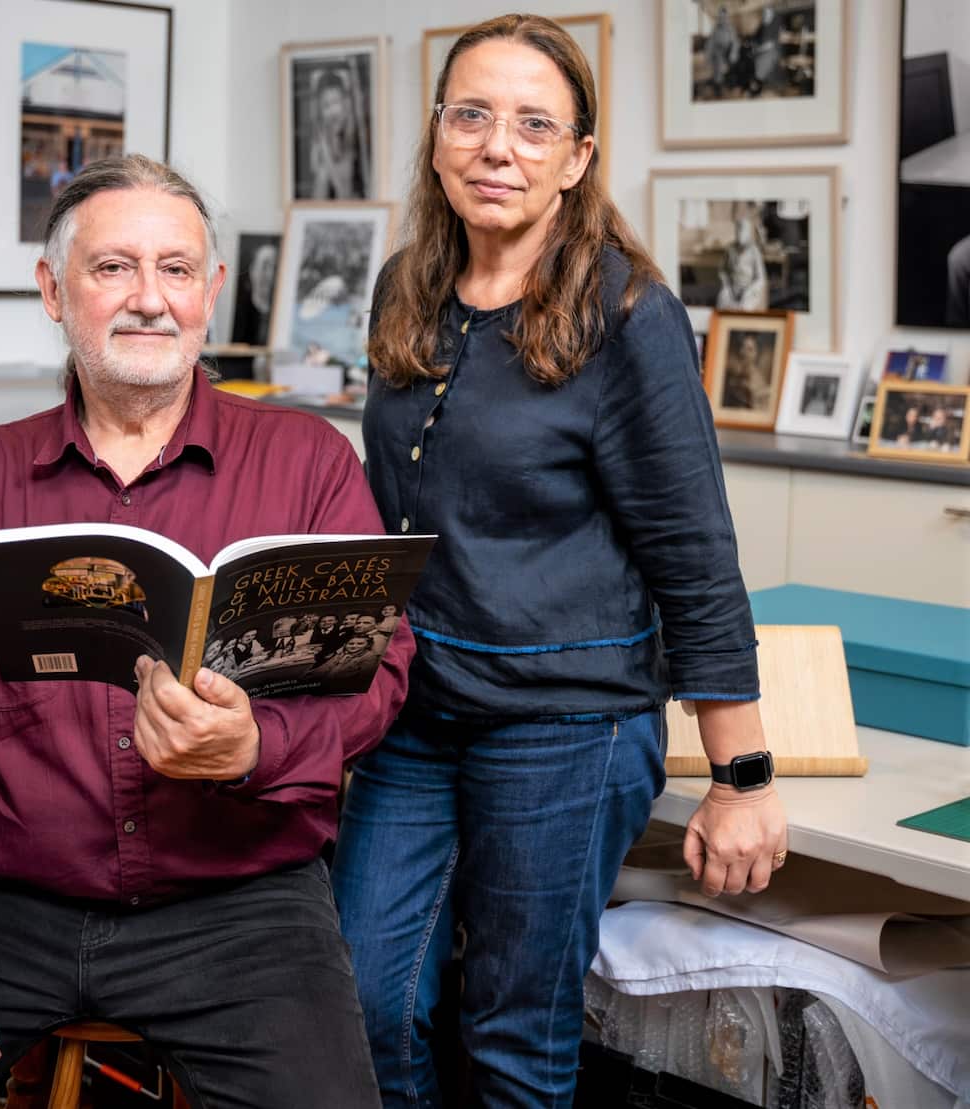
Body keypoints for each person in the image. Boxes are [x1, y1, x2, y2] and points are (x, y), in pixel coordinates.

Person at [0, 155, 415, 1109]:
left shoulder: (308, 462)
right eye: (114, 268)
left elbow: (380, 669)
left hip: (239, 910)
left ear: (211, 292)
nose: (150, 299)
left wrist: (257, 742)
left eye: (177, 270)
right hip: (4, 902)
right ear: (54, 290)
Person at [330, 16, 787, 1108]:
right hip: (415, 714)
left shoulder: (627, 313)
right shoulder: (406, 286)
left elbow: (693, 549)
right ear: (436, 136)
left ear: (576, 158)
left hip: (564, 725)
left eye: (535, 125)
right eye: (472, 115)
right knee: (359, 998)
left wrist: (739, 777)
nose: (499, 147)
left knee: (512, 1032)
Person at [309, 67, 366, 199]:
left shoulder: (351, 129)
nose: (332, 111)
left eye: (336, 102)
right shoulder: (322, 133)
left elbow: (345, 183)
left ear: (345, 103)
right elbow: (315, 167)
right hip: (330, 190)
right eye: (326, 106)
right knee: (322, 175)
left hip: (350, 194)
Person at [716, 214, 768, 311]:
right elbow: (722, 270)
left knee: (744, 308)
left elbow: (761, 278)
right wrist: (726, 285)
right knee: (722, 302)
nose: (739, 233)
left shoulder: (754, 251)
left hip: (748, 289)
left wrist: (750, 290)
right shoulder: (730, 248)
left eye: (742, 230)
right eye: (738, 230)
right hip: (731, 287)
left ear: (748, 232)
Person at [722, 333, 773, 411]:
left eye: (749, 349)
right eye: (743, 347)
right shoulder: (732, 375)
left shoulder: (758, 383)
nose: (743, 353)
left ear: (756, 354)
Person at [703, 5, 740, 97]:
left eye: (724, 16)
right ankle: (717, 83)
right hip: (717, 52)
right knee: (715, 60)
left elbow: (735, 42)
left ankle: (720, 84)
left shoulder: (730, 28)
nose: (722, 18)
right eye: (720, 16)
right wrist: (707, 55)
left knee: (720, 63)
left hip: (726, 53)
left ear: (726, 17)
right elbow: (711, 42)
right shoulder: (716, 28)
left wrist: (733, 53)